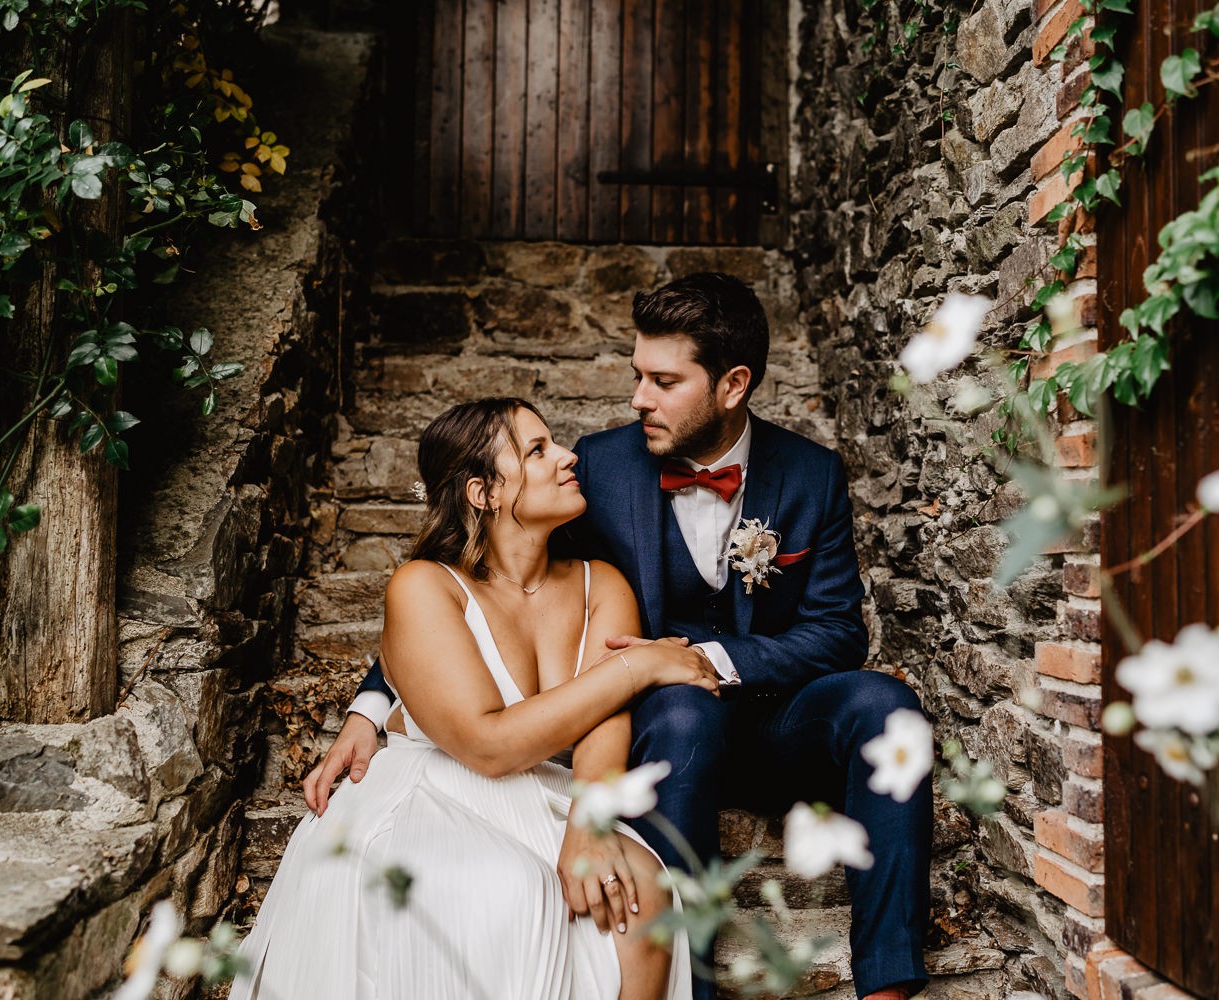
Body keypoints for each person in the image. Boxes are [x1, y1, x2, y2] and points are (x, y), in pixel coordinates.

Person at [330, 274, 932, 1000]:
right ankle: (694, 987)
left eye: (664, 380)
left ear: (733, 384)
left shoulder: (813, 474)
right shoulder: (606, 468)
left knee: (887, 709)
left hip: (778, 719)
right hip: (660, 734)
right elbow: (476, 580)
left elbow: (838, 634)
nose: (638, 397)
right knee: (684, 711)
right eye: (636, 375)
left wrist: (699, 658)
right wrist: (371, 702)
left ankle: (889, 987)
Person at [236, 398, 715, 1000]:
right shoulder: (424, 585)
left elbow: (601, 724)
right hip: (437, 786)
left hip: (547, 791)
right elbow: (486, 746)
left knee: (643, 887)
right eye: (538, 450)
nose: (569, 457)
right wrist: (637, 665)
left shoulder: (603, 584)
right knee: (511, 888)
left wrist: (590, 823)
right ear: (483, 492)